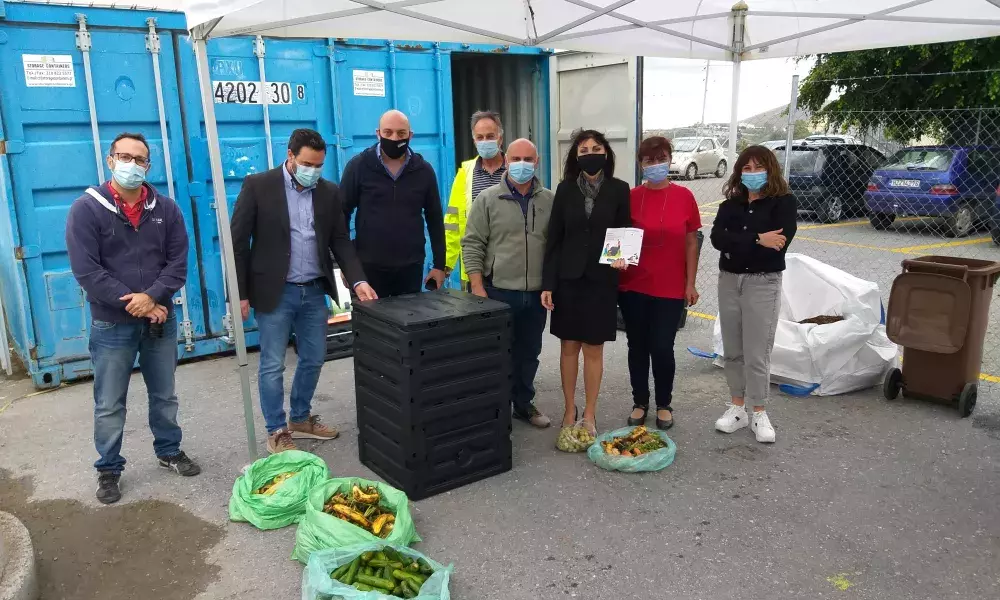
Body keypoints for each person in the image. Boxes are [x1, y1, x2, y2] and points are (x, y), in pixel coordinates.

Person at [66, 132, 199, 504]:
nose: (132, 164)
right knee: (109, 401)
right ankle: (108, 469)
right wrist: (137, 303)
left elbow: (177, 263)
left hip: (159, 319)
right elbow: (87, 271)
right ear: (111, 161)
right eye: (124, 156)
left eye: (139, 159)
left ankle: (169, 451)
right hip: (112, 324)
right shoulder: (86, 209)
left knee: (164, 395)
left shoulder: (167, 209)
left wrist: (153, 298)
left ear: (148, 166)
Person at [231, 129, 377, 454]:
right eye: (307, 163)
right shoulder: (259, 186)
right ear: (290, 155)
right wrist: (239, 293)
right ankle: (277, 429)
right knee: (272, 364)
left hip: (313, 291)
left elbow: (340, 240)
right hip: (275, 291)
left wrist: (358, 280)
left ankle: (300, 417)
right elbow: (237, 244)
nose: (313, 170)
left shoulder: (328, 192)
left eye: (319, 165)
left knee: (313, 358)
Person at [542, 129, 631, 436]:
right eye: (583, 149)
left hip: (601, 281)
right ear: (575, 156)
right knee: (568, 347)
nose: (590, 153)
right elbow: (554, 238)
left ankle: (590, 414)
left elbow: (624, 231)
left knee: (594, 348)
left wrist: (622, 256)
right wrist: (548, 283)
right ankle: (570, 409)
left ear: (606, 154)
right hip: (568, 280)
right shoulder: (565, 189)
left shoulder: (620, 189)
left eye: (595, 148)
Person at [462, 138, 553, 428]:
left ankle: (523, 404)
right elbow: (472, 243)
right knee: (495, 355)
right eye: (516, 158)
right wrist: (477, 287)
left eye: (528, 159)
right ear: (506, 160)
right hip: (497, 291)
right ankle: (494, 410)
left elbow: (556, 246)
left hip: (536, 295)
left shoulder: (549, 201)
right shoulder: (488, 199)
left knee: (529, 354)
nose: (522, 165)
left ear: (536, 163)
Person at [710, 145, 797, 444]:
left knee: (757, 352)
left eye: (758, 167)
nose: (752, 173)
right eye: (746, 168)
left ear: (770, 169)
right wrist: (759, 239)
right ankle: (737, 408)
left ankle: (758, 410)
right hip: (729, 281)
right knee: (733, 349)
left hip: (763, 283)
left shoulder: (783, 203)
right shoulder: (729, 206)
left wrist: (740, 242)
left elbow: (781, 242)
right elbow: (718, 239)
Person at [619, 136, 701, 431]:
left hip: (669, 288)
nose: (655, 165)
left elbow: (692, 241)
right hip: (633, 285)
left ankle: (664, 403)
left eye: (660, 159)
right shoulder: (630, 197)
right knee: (637, 346)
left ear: (670, 159)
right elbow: (618, 239)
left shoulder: (684, 197)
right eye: (649, 160)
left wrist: (689, 283)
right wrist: (615, 261)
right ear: (641, 164)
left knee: (663, 347)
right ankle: (640, 401)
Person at [341, 109, 446, 296]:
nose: (395, 138)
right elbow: (341, 216)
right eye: (388, 132)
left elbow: (435, 219)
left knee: (408, 324)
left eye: (401, 133)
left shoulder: (424, 171)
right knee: (371, 325)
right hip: (368, 271)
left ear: (410, 136)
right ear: (378, 133)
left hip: (410, 270)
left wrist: (439, 265)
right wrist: (348, 266)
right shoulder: (358, 167)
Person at [445, 110, 508, 290]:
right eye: (480, 137)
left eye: (490, 136)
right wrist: (447, 263)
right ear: (474, 141)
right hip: (474, 270)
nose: (485, 141)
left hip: (510, 269)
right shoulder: (465, 173)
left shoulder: (514, 171)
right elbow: (453, 221)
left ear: (500, 139)